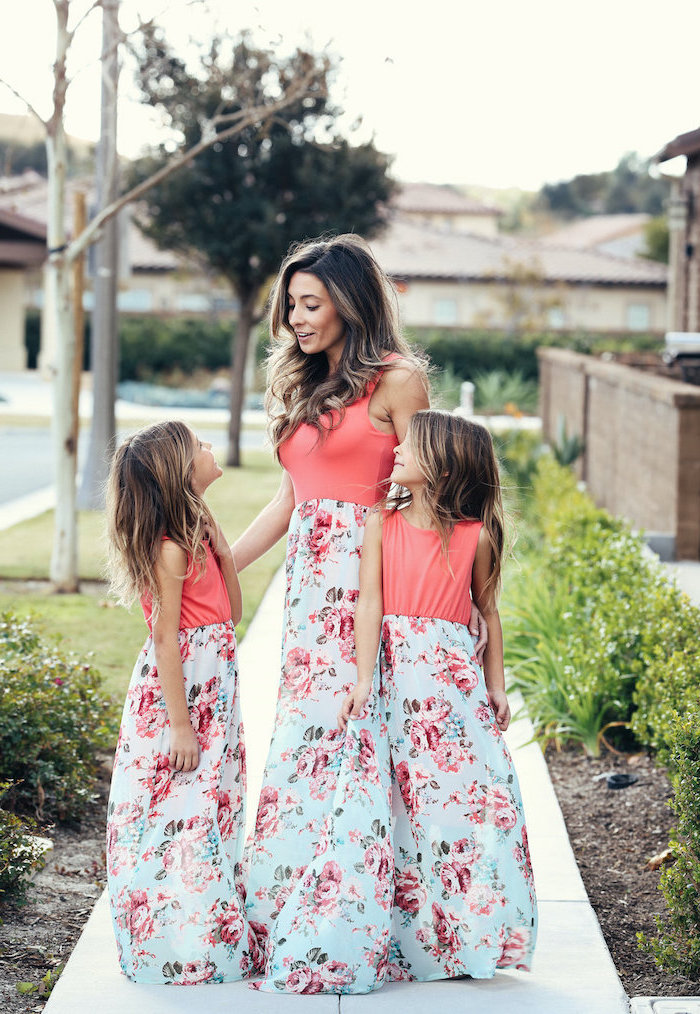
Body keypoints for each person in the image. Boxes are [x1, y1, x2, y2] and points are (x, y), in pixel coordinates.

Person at [233, 234, 486, 989]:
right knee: (312, 741)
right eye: (291, 305)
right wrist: (215, 568)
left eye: (311, 304)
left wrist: (444, 601)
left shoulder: (398, 379)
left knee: (369, 741)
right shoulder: (303, 381)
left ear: (351, 300)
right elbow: (289, 497)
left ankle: (384, 922)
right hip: (311, 593)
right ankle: (303, 906)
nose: (297, 319)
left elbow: (431, 488)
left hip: (376, 583)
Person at [337, 409, 537, 985]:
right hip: (395, 680)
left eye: (411, 445)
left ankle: (460, 930)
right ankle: (403, 930)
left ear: (442, 465)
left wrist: (495, 685)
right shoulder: (382, 524)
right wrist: (362, 679)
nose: (396, 449)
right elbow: (368, 604)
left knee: (455, 804)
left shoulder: (475, 535)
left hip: (450, 693)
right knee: (396, 802)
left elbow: (489, 612)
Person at [105, 421, 255, 984]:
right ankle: (164, 941)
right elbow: (166, 639)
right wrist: (181, 727)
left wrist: (220, 542)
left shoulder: (197, 536)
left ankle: (202, 935)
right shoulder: (169, 550)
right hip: (182, 695)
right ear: (181, 471)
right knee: (173, 815)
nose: (211, 450)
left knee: (210, 808)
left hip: (213, 688)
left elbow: (232, 611)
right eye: (201, 446)